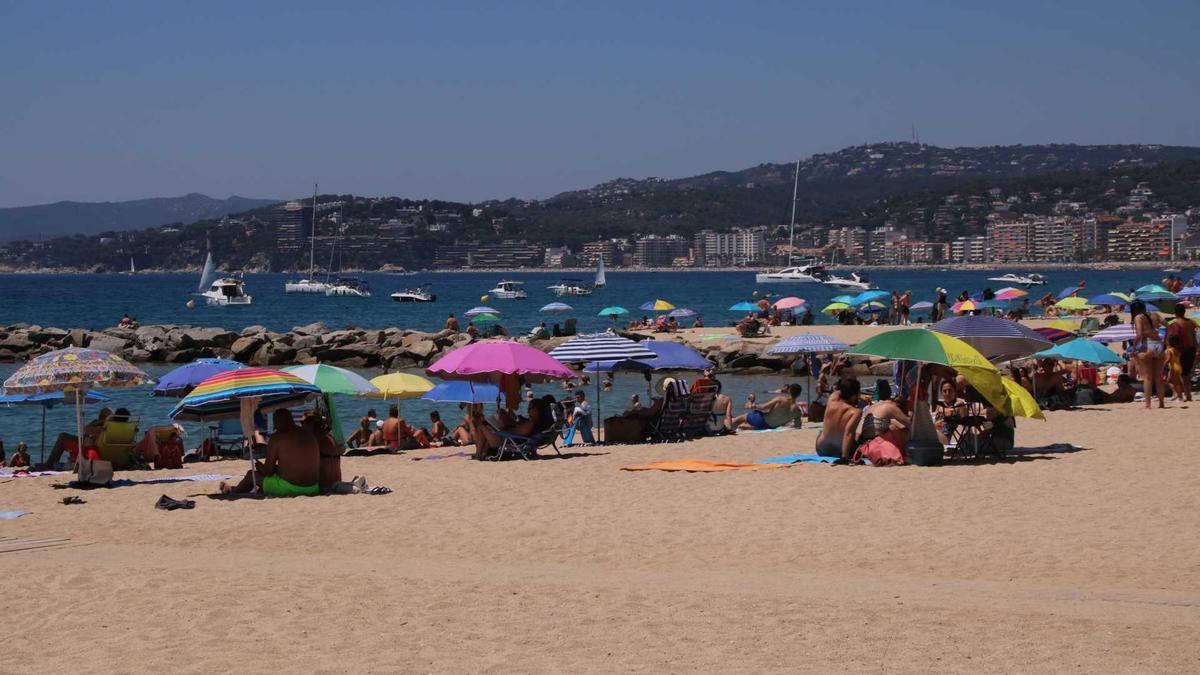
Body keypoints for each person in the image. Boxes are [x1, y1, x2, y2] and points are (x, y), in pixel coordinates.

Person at [221, 409, 320, 497]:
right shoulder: (309, 435)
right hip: (313, 488)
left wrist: (260, 467)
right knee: (270, 479)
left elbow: (268, 471)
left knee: (251, 475)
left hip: (290, 488)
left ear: (277, 422)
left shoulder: (277, 437)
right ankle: (243, 489)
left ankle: (233, 491)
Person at [465, 397, 552, 460]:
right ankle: (482, 453)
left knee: (481, 426)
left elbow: (515, 432)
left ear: (537, 410)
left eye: (530, 408)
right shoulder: (537, 424)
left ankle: (478, 454)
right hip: (508, 440)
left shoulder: (530, 424)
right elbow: (517, 431)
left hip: (503, 442)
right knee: (487, 427)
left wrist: (502, 429)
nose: (528, 410)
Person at [43, 407, 111, 469]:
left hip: (89, 448)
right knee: (63, 436)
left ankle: (49, 464)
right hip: (92, 446)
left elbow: (86, 429)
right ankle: (52, 463)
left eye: (101, 416)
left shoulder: (103, 427)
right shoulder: (114, 428)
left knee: (62, 436)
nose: (99, 417)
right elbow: (86, 435)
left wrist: (96, 422)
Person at [815, 378, 864, 460]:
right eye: (858, 393)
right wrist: (844, 457)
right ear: (854, 395)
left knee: (821, 432)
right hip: (839, 451)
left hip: (822, 449)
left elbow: (839, 391)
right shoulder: (855, 412)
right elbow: (848, 433)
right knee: (859, 439)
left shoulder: (831, 400)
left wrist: (857, 395)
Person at [1131, 300, 1166, 409]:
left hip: (1148, 345)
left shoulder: (1138, 317)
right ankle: (1161, 404)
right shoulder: (1155, 314)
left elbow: (1139, 334)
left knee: (1147, 378)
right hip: (1159, 344)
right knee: (1159, 377)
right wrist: (1165, 340)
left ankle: (1148, 404)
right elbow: (1168, 325)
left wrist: (1133, 348)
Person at [302, 412, 342, 493]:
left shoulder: (314, 439)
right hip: (337, 482)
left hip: (324, 484)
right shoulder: (330, 437)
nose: (301, 425)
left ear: (311, 423)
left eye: (302, 422)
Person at [733, 384, 800, 431]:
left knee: (741, 418)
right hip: (771, 427)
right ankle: (743, 426)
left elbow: (763, 407)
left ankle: (729, 427)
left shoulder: (780, 399)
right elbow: (798, 425)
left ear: (789, 390)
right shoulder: (797, 410)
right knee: (744, 425)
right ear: (799, 394)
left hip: (762, 421)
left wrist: (754, 405)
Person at [1167, 304, 1196, 401]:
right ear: (1184, 312)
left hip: (1179, 350)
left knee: (1176, 375)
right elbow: (1194, 337)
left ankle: (1181, 396)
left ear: (1175, 313)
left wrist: (1169, 349)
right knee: (1186, 374)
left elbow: (1172, 338)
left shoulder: (1174, 324)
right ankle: (1188, 396)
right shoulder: (1192, 322)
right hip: (1191, 349)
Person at [1165, 334, 1189, 402]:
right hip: (1178, 367)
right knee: (1170, 381)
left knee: (1175, 383)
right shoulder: (1177, 349)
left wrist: (1163, 364)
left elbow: (1169, 359)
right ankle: (1177, 395)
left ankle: (1180, 397)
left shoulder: (1169, 350)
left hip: (1173, 368)